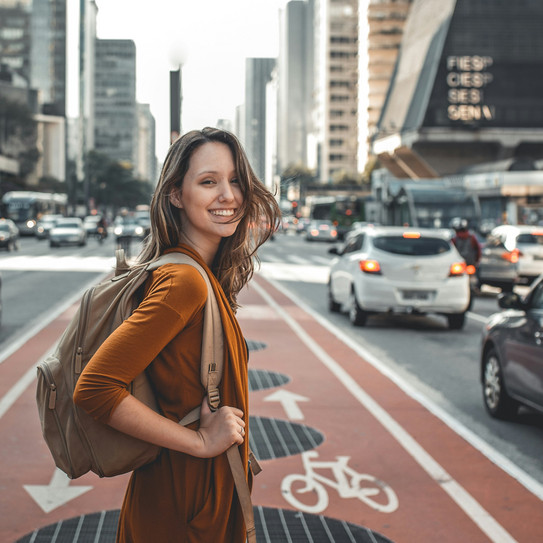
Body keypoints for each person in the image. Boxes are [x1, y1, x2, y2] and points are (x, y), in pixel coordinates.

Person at [73, 127, 281, 542]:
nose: (229, 195)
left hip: (195, 495)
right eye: (208, 182)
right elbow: (94, 388)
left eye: (235, 179)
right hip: (184, 505)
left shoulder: (197, 274)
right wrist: (202, 441)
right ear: (175, 194)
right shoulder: (183, 281)